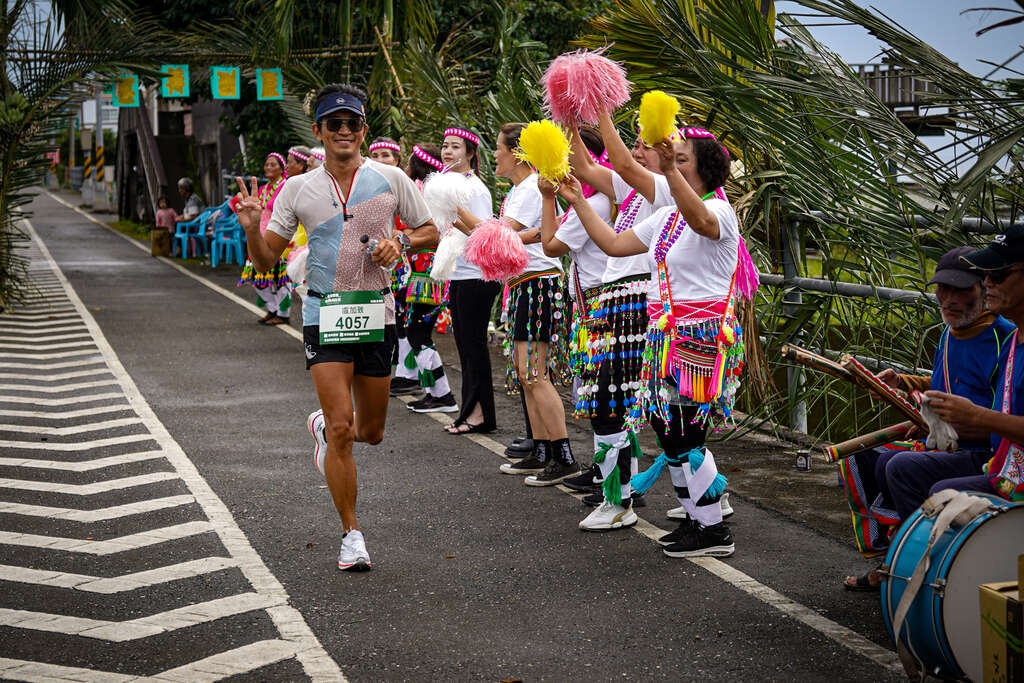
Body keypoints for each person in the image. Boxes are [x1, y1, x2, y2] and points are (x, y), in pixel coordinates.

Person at [234, 84, 438, 571]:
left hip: (377, 313)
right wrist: (251, 224)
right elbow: (266, 259)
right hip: (323, 314)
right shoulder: (298, 189)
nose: (343, 131)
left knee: (371, 432)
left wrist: (403, 243)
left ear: (364, 131)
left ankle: (325, 426)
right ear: (320, 132)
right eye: (334, 124)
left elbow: (430, 230)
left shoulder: (390, 179)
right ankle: (352, 534)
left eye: (352, 123)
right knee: (346, 433)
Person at [562, 126, 743, 557]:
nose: (671, 164)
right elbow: (613, 243)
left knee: (686, 432)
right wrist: (576, 201)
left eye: (682, 159)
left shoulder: (719, 210)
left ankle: (713, 530)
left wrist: (668, 170)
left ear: (706, 168)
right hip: (664, 337)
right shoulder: (666, 218)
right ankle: (697, 520)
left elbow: (702, 221)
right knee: (669, 430)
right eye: (671, 158)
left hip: (700, 336)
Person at [840, 247, 1015, 590]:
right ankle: (898, 553)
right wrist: (903, 385)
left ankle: (924, 567)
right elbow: (943, 386)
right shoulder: (950, 332)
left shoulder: (1003, 338)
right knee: (868, 458)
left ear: (984, 290)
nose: (948, 300)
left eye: (961, 290)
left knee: (900, 467)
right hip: (952, 442)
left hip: (985, 452)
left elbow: (995, 412)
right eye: (942, 289)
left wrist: (959, 417)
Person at [457, 123, 578, 484]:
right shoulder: (519, 191)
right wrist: (456, 216)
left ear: (518, 153)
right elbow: (497, 238)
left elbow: (500, 236)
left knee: (535, 374)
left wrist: (457, 211)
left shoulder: (529, 190)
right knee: (527, 375)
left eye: (498, 148)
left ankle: (563, 455)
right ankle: (541, 450)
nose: (494, 155)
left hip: (539, 285)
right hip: (525, 286)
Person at [538, 127, 643, 529]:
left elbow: (549, 246)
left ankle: (619, 495)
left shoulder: (609, 199)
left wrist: (549, 197)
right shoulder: (619, 197)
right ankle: (610, 484)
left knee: (611, 402)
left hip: (617, 308)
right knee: (605, 400)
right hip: (603, 308)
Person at [898, 227, 1024, 506]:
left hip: (1001, 464)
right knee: (885, 463)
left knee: (930, 486)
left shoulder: (1002, 336)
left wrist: (975, 416)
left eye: (998, 275)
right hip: (1005, 464)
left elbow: (986, 415)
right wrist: (905, 386)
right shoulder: (1014, 340)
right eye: (986, 275)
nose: (988, 282)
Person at [441, 127, 502, 434]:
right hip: (460, 274)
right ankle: (471, 412)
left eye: (455, 147)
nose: (448, 151)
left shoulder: (474, 189)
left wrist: (451, 216)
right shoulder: (450, 185)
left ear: (470, 154)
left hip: (477, 276)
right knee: (464, 346)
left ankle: (480, 415)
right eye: (445, 146)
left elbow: (482, 234)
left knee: (473, 347)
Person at [399, 143, 459, 413]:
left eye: (410, 160)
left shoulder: (422, 194)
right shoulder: (433, 192)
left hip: (426, 276)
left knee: (418, 334)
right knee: (418, 333)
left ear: (417, 165)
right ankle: (436, 393)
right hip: (428, 273)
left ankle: (442, 395)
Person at [236, 152, 292, 326]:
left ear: (282, 169)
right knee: (258, 278)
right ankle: (273, 309)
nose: (268, 167)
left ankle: (283, 314)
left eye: (273, 164)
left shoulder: (286, 186)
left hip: (279, 236)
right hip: (260, 236)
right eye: (267, 164)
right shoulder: (262, 189)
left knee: (280, 279)